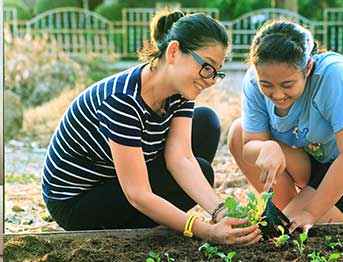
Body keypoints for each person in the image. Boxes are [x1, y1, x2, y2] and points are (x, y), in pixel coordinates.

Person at [42, 9, 261, 246]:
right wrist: (203, 230)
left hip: (118, 179)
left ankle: (158, 218)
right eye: (206, 67)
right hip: (77, 203)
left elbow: (181, 159)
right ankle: (155, 220)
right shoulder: (122, 99)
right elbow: (138, 194)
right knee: (203, 171)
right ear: (174, 52)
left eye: (215, 73)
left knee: (205, 124)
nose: (209, 80)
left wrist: (220, 212)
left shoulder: (180, 92)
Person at [228, 20, 343, 233]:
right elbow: (248, 146)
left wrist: (310, 213)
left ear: (308, 68)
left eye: (287, 84)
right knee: (238, 133)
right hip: (318, 158)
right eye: (267, 84)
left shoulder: (334, 75)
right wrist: (266, 147)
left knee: (300, 228)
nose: (277, 94)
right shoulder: (253, 83)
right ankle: (292, 208)